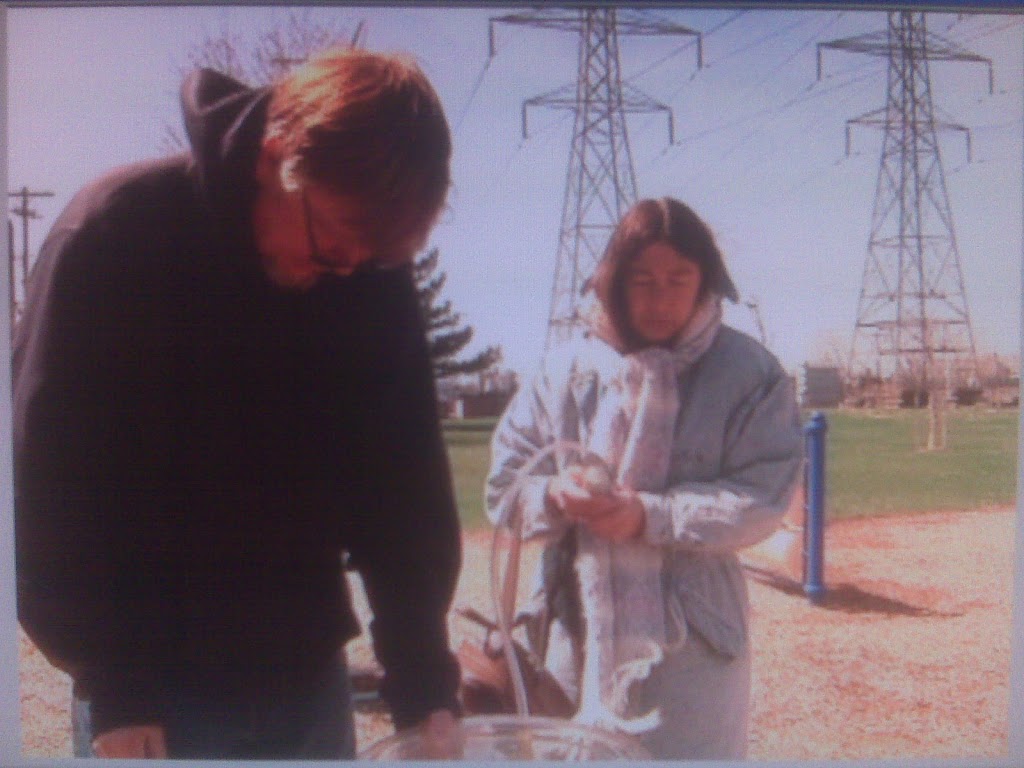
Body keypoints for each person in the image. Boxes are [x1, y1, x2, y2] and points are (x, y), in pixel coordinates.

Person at [13, 47, 463, 760]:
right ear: (275, 156)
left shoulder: (367, 269)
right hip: (156, 688)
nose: (339, 274)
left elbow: (399, 484)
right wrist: (118, 684)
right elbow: (54, 486)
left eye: (364, 261)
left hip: (308, 676)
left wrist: (424, 677)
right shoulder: (114, 237)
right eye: (330, 249)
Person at [485, 197, 804, 759]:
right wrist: (556, 496)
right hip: (570, 630)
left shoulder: (749, 373)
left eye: (679, 279)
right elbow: (504, 487)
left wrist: (651, 516)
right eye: (643, 280)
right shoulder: (564, 370)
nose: (662, 298)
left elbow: (764, 495)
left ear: (706, 280)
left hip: (691, 644)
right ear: (613, 282)